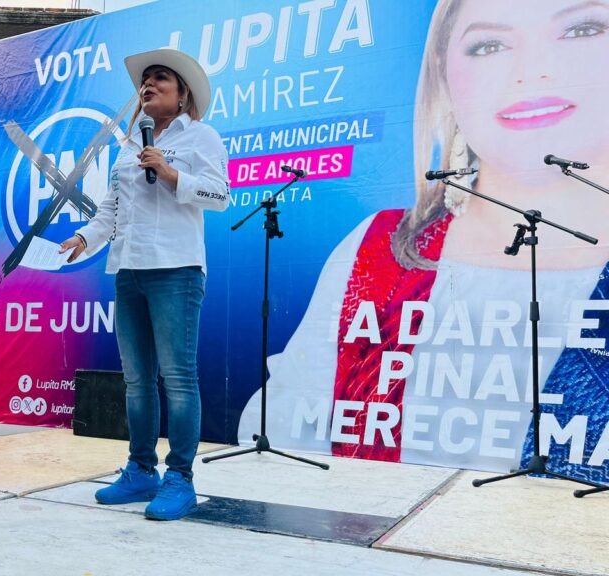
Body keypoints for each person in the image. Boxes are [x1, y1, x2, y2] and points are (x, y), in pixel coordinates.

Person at [238, 0, 609, 480]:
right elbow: (284, 427)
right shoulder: (377, 249)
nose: (533, 69)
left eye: (581, 29)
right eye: (489, 45)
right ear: (444, 75)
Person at [59, 48, 229, 520]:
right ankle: (140, 470)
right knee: (137, 380)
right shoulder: (129, 144)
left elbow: (220, 195)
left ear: (182, 95)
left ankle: (180, 478)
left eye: (159, 79)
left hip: (176, 269)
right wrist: (84, 237)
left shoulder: (202, 136)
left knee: (178, 378)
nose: (147, 85)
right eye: (144, 80)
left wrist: (171, 173)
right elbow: (112, 209)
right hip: (128, 271)